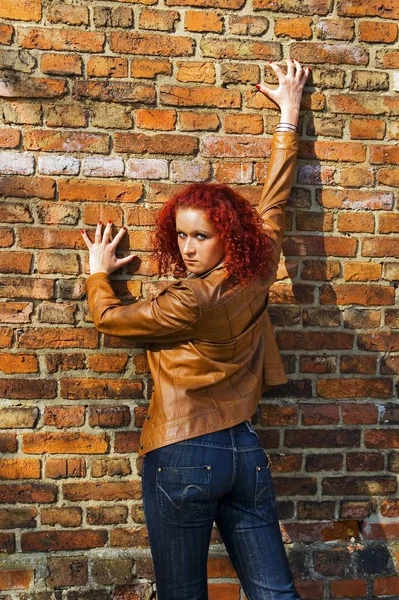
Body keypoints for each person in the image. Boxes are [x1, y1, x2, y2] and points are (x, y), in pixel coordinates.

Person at [82, 59, 310, 600]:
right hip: (245, 451)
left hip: (183, 450)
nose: (187, 247)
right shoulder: (257, 267)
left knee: (182, 593)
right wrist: (289, 115)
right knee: (274, 593)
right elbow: (275, 201)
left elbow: (112, 319)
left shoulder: (190, 298)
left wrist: (97, 273)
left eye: (199, 236)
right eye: (181, 235)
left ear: (225, 236)